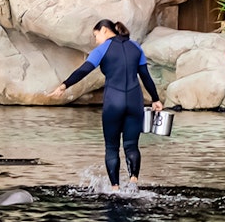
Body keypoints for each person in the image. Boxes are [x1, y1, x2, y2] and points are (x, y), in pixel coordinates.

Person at [50, 19, 162, 191]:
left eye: (96, 36)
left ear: (104, 30)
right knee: (131, 145)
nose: (95, 40)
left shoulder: (102, 49)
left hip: (113, 102)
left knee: (112, 147)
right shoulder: (136, 47)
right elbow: (145, 76)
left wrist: (64, 85)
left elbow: (83, 70)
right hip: (135, 101)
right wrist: (155, 99)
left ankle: (115, 189)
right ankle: (133, 184)